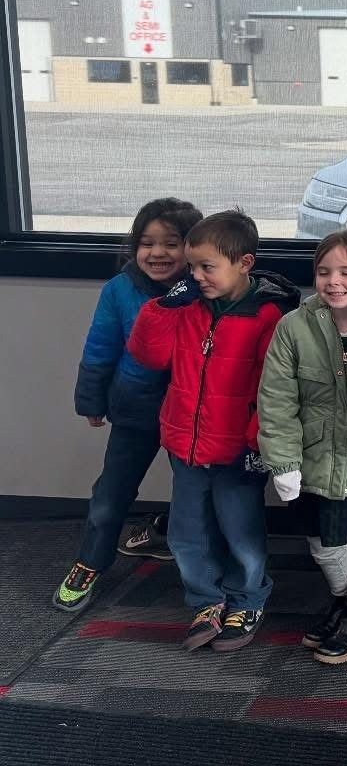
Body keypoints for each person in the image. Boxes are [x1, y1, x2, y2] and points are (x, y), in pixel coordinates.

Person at [127, 209, 300, 652]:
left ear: (244, 263)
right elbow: (149, 355)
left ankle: (248, 597)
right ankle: (207, 599)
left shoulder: (266, 317)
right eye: (192, 267)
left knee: (240, 530)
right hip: (185, 442)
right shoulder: (186, 309)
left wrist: (259, 440)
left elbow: (274, 387)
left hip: (236, 449)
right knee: (187, 531)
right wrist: (165, 307)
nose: (197, 276)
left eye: (208, 267)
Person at [257, 229, 347, 664]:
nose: (333, 281)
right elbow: (276, 400)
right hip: (316, 461)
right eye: (324, 272)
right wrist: (283, 462)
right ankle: (343, 599)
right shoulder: (294, 328)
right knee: (325, 544)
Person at [52, 198, 203, 613]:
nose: (157, 253)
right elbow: (100, 348)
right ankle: (90, 562)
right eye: (146, 242)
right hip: (135, 409)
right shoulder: (119, 290)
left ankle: (201, 574)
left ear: (193, 247)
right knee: (110, 494)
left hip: (189, 413)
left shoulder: (204, 288)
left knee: (197, 494)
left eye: (171, 243)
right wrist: (92, 400)